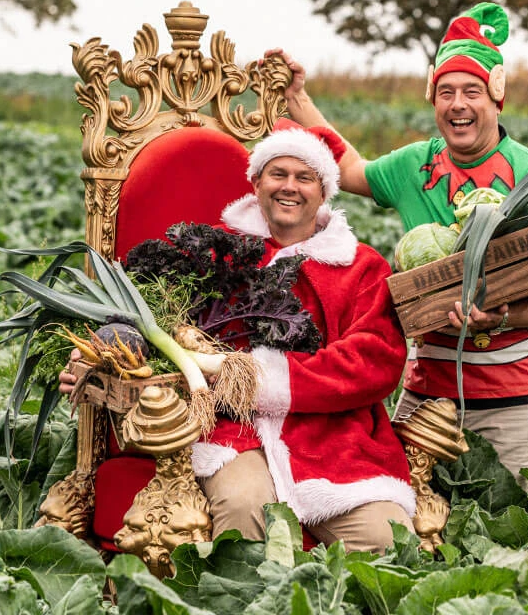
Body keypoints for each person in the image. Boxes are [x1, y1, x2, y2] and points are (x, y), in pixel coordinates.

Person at [61, 124, 415, 553]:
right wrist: (99, 354)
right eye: (277, 174)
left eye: (304, 177)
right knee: (244, 507)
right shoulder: (213, 252)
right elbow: (149, 315)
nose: (290, 186)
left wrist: (256, 377)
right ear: (256, 183)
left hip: (335, 440)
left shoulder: (362, 267)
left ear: (324, 191)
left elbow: (374, 360)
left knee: (388, 540)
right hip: (230, 431)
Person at [265, 2, 528, 483]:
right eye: (446, 92)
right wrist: (297, 97)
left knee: (507, 516)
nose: (457, 104)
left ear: (496, 98)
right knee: (412, 517)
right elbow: (349, 169)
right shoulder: (415, 166)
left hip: (515, 395)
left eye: (472, 91)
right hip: (427, 390)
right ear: (433, 100)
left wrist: (501, 317)